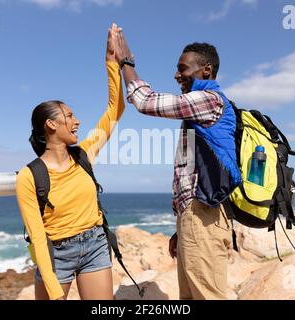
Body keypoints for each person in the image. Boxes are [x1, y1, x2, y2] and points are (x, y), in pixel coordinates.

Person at [114, 29, 239, 300]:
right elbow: (196, 175)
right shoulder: (199, 110)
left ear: (206, 70)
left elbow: (146, 102)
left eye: (183, 68)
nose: (176, 75)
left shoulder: (210, 100)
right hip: (195, 218)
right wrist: (181, 228)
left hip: (204, 219)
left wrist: (126, 63)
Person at [15, 23, 124, 300]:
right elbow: (37, 237)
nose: (77, 121)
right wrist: (53, 289)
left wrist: (111, 62)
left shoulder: (85, 153)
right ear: (51, 124)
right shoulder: (29, 176)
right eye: (70, 116)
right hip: (56, 254)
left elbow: (115, 110)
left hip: (95, 244)